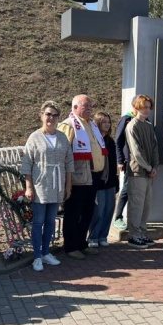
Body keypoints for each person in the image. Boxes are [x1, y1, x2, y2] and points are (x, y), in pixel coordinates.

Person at [22, 101, 74, 271]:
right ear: (42, 115)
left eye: (54, 115)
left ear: (58, 118)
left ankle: (46, 252)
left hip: (57, 185)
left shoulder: (62, 137)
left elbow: (69, 162)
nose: (51, 117)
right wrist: (28, 187)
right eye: (48, 114)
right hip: (40, 185)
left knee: (51, 221)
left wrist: (68, 186)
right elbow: (27, 164)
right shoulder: (35, 137)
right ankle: (37, 256)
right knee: (38, 221)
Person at [58, 95, 106, 260]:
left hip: (93, 175)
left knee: (87, 211)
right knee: (74, 211)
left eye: (91, 106)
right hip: (77, 176)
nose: (90, 109)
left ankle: (81, 243)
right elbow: (63, 153)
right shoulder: (69, 125)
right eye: (86, 106)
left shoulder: (91, 124)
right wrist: (67, 181)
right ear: (75, 107)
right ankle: (70, 246)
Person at [125, 95, 160, 249]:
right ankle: (134, 235)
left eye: (148, 106)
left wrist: (155, 167)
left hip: (149, 173)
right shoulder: (132, 126)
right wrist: (148, 167)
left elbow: (154, 148)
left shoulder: (148, 125)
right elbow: (136, 152)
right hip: (138, 172)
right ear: (136, 107)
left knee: (146, 206)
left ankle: (142, 233)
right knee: (136, 205)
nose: (147, 109)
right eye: (143, 106)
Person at [88, 111, 118, 248]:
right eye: (104, 122)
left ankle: (103, 236)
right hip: (99, 182)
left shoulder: (110, 141)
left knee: (109, 210)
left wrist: (116, 180)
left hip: (111, 181)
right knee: (98, 211)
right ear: (98, 124)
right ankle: (93, 237)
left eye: (108, 122)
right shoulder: (94, 140)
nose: (107, 124)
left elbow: (113, 161)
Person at [112, 96, 138, 231]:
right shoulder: (126, 119)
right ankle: (118, 217)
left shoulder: (145, 120)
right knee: (126, 189)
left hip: (141, 163)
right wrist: (120, 160)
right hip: (129, 161)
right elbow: (118, 140)